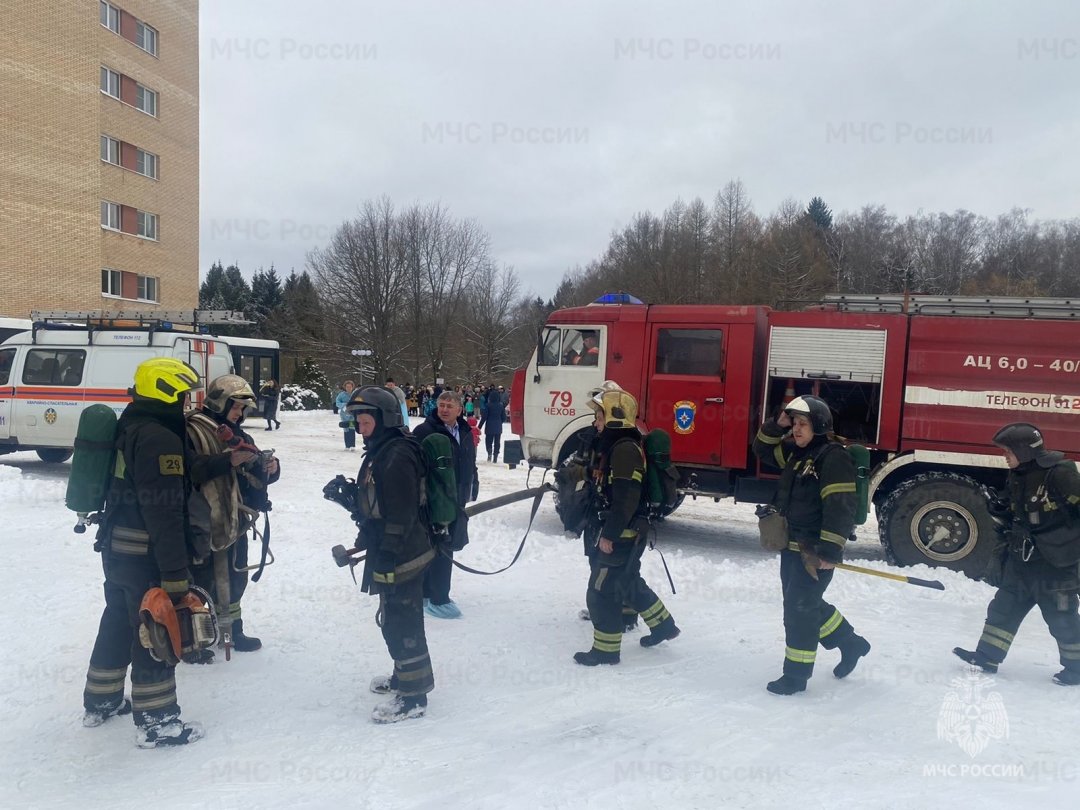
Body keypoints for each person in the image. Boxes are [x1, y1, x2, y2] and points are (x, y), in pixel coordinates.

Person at [81, 358, 204, 747]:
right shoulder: (160, 438)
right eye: (182, 395)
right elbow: (164, 511)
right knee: (157, 628)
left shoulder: (132, 424)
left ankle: (101, 700)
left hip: (117, 549)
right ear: (167, 392)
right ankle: (158, 722)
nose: (185, 403)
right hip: (145, 555)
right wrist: (174, 573)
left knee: (119, 619)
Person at [752, 395, 870, 695]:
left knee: (799, 611)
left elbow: (840, 505)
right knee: (803, 604)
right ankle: (850, 643)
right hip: (791, 547)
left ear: (818, 425)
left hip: (814, 551)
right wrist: (777, 424)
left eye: (802, 424)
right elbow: (761, 449)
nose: (797, 430)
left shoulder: (833, 457)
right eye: (794, 424)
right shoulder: (798, 454)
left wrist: (830, 551)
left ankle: (795, 676)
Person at [953, 423, 1080, 686]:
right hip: (1022, 561)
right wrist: (1000, 508)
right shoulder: (1019, 474)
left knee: (1061, 617)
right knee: (1004, 608)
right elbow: (1018, 512)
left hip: (1055, 564)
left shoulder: (1060, 474)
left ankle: (1076, 668)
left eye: (1007, 451)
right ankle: (987, 657)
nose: (1004, 456)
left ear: (1024, 451)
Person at [345, 386, 436, 722]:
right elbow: (378, 506)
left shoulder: (396, 455)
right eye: (358, 422)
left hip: (403, 553)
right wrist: (353, 506)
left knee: (402, 619)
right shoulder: (382, 450)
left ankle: (414, 697)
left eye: (366, 421)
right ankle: (404, 675)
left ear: (385, 419)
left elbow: (401, 514)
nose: (360, 428)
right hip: (390, 549)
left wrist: (386, 552)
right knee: (393, 616)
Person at [575, 389, 679, 665]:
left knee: (601, 589)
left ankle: (606, 651)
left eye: (599, 416)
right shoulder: (620, 446)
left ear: (613, 418)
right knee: (628, 582)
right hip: (630, 530)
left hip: (622, 532)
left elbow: (626, 497)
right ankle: (663, 625)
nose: (596, 422)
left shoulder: (623, 450)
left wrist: (609, 535)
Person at [187, 375, 281, 654]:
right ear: (219, 403)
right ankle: (193, 639)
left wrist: (271, 469)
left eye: (242, 409)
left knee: (234, 576)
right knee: (200, 581)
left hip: (235, 521)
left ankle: (232, 630)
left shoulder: (239, 435)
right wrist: (227, 460)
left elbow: (254, 474)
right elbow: (192, 471)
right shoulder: (192, 432)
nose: (240, 414)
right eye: (237, 407)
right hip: (202, 522)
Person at [412, 390, 478, 619]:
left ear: (460, 409)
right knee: (438, 545)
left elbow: (469, 459)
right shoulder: (424, 431)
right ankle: (436, 598)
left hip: (457, 496)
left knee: (448, 542)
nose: (444, 409)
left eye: (450, 405)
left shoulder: (466, 431)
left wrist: (473, 484)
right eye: (441, 404)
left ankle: (430, 593)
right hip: (434, 500)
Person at [478, 384, 504, 463]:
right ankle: (495, 455)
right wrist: (500, 422)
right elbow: (504, 417)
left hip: (489, 425)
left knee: (488, 440)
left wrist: (479, 427)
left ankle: (489, 451)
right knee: (497, 442)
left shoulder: (488, 405)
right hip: (498, 426)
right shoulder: (501, 406)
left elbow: (484, 417)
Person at [336, 380, 356, 450]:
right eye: (347, 387)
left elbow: (359, 401)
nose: (348, 388)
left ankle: (352, 445)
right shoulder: (341, 395)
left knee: (352, 427)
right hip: (344, 414)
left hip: (352, 414)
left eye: (350, 387)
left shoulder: (355, 394)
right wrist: (343, 406)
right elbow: (337, 402)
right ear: (345, 387)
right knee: (346, 429)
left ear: (352, 387)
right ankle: (347, 446)